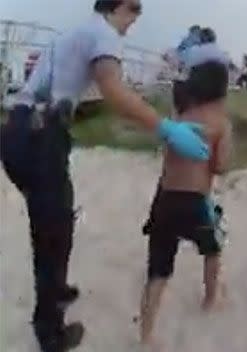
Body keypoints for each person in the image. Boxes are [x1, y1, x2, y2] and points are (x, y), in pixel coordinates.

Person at [0, 1, 210, 351]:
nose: (135, 20)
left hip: (19, 133)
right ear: (119, 7)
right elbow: (113, 90)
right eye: (134, 10)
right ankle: (49, 332)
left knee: (56, 222)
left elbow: (84, 94)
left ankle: (58, 291)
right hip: (40, 139)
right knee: (52, 233)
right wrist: (166, 128)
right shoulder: (104, 33)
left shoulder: (77, 33)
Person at [139, 43, 232, 350]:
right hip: (196, 201)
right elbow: (220, 166)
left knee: (158, 271)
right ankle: (209, 299)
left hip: (165, 199)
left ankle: (147, 335)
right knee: (213, 249)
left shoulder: (179, 119)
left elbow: (167, 156)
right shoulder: (220, 121)